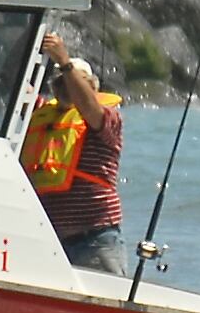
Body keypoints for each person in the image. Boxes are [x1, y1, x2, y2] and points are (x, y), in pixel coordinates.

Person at [21, 31, 129, 274]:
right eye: (62, 83)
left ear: (92, 87)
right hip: (51, 241)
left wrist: (64, 62)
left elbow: (88, 106)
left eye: (76, 82)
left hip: (95, 239)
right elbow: (19, 91)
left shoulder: (107, 119)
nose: (68, 88)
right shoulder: (42, 113)